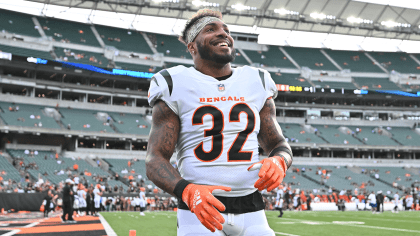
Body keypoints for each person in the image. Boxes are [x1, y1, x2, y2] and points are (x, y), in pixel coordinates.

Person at [145, 9, 292, 236]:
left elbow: (279, 145)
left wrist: (280, 161)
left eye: (226, 30)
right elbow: (155, 159)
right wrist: (187, 191)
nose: (223, 34)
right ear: (192, 46)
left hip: (252, 207)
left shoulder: (257, 80)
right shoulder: (174, 82)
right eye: (211, 29)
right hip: (199, 210)